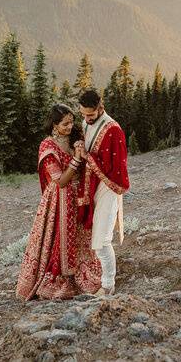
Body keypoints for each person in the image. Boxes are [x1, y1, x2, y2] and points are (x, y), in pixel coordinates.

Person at [16, 104, 102, 300]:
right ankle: (59, 281)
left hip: (78, 198)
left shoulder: (75, 141)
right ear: (54, 125)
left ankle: (80, 275)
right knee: (58, 239)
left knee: (80, 237)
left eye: (72, 122)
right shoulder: (47, 146)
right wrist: (77, 160)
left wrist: (84, 156)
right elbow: (61, 181)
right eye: (65, 124)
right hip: (59, 200)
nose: (70, 127)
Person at [77, 89, 130, 296]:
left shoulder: (113, 130)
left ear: (101, 107)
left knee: (102, 240)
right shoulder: (86, 123)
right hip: (93, 185)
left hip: (108, 187)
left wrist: (87, 156)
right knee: (95, 238)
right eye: (83, 114)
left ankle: (108, 286)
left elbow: (117, 168)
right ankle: (101, 280)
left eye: (90, 114)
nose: (86, 118)